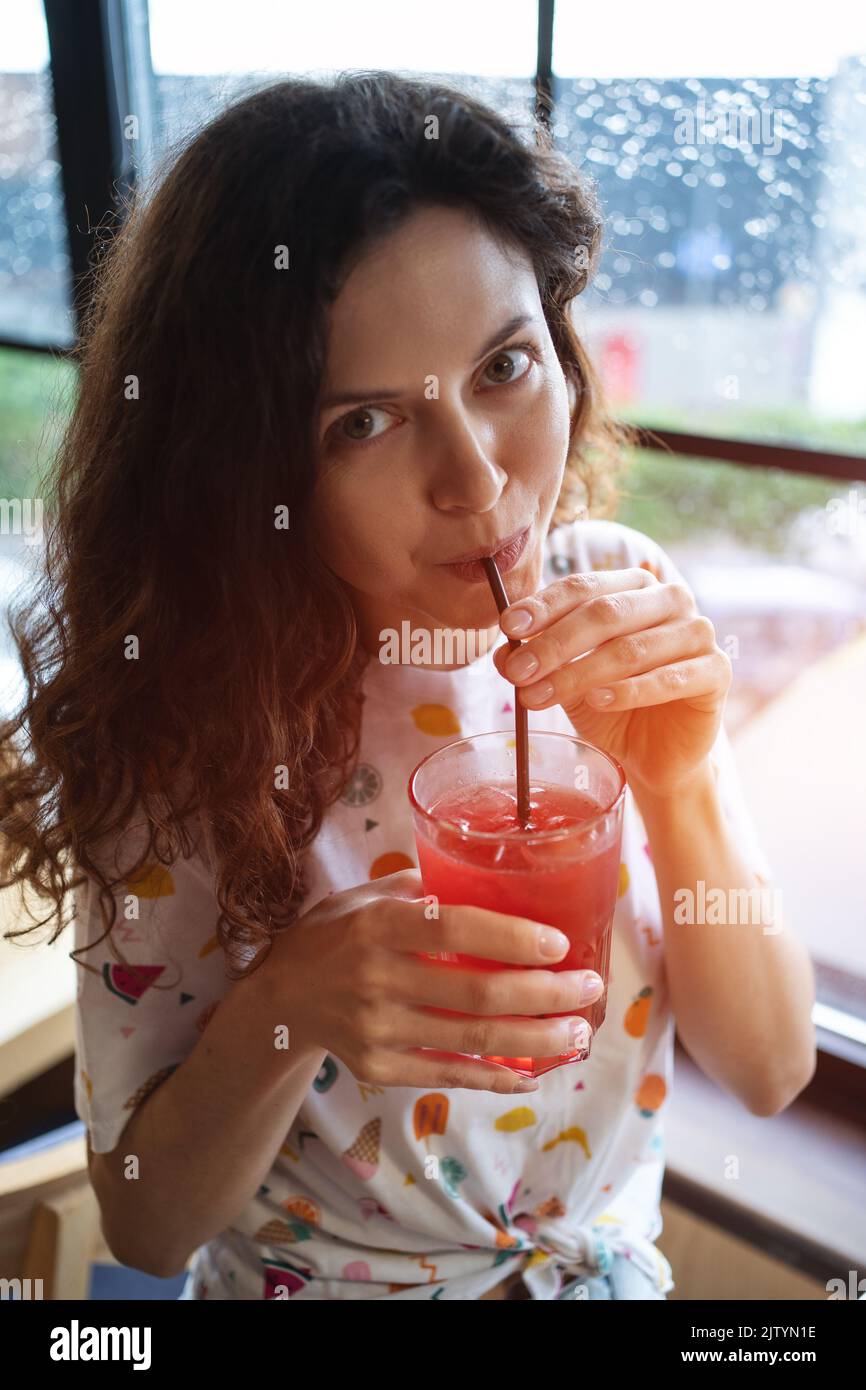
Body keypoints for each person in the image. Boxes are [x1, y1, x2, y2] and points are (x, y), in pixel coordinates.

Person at [0, 72, 816, 1301]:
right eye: (365, 425)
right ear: (248, 464)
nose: (479, 485)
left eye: (502, 366)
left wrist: (680, 778)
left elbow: (767, 1069)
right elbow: (148, 1228)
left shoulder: (615, 592)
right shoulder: (188, 720)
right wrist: (291, 1004)